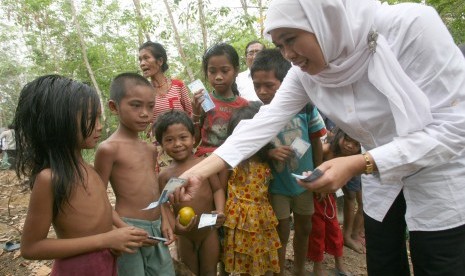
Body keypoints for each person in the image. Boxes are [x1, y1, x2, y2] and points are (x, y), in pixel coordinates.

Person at [174, 1, 465, 275]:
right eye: (279, 45)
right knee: (384, 260)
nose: (287, 54)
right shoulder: (305, 72)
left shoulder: (410, 28)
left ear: (325, 18)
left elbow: (455, 128)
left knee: (438, 260)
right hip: (379, 176)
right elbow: (263, 122)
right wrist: (198, 172)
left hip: (440, 168)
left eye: (291, 39)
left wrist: (358, 163)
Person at [14, 75, 148, 275]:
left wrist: (122, 231)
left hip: (105, 264)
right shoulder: (50, 178)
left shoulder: (89, 169)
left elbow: (101, 211)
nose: (99, 126)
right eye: (90, 118)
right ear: (60, 122)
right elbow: (31, 247)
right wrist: (105, 240)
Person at [250, 48, 326, 276]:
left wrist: (318, 173)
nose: (262, 92)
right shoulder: (258, 113)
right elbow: (253, 149)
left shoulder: (305, 107)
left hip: (304, 181)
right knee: (280, 231)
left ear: (284, 82)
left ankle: (300, 270)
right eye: (257, 86)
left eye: (269, 85)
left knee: (305, 227)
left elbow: (316, 141)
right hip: (277, 185)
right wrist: (270, 154)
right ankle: (279, 270)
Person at [94, 73, 175, 275]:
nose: (145, 113)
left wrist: (165, 220)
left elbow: (155, 190)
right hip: (128, 227)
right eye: (136, 105)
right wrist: (122, 229)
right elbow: (98, 197)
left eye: (150, 106)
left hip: (156, 228)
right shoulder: (108, 148)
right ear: (114, 107)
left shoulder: (150, 149)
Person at [154, 110, 226, 276]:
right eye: (169, 140)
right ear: (162, 145)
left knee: (209, 271)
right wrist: (175, 227)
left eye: (183, 137)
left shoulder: (205, 165)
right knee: (189, 272)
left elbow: (217, 189)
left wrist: (220, 211)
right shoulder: (165, 176)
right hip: (185, 236)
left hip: (208, 231)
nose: (177, 144)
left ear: (194, 138)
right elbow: (163, 205)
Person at [222, 105, 281, 275]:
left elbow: (267, 192)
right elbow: (220, 187)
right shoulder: (232, 162)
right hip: (238, 219)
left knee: (259, 257)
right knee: (241, 257)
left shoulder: (266, 162)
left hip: (261, 218)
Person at [192, 42, 249, 187]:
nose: (218, 77)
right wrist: (195, 114)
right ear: (206, 73)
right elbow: (194, 140)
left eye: (225, 71)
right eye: (212, 71)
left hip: (234, 164)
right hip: (205, 162)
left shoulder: (245, 106)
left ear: (236, 71)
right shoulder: (202, 102)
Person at [307, 127, 361, 276]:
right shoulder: (326, 150)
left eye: (355, 144)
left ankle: (339, 265)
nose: (350, 145)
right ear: (339, 137)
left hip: (329, 197)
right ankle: (317, 268)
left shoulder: (352, 161)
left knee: (335, 229)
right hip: (315, 196)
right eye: (348, 140)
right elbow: (310, 164)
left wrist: (327, 190)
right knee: (317, 230)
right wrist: (318, 187)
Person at [139, 41, 193, 171]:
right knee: (166, 181)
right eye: (140, 59)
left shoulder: (178, 85)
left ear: (160, 61)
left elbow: (190, 113)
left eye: (146, 58)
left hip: (182, 141)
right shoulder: (144, 91)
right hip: (159, 145)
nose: (142, 63)